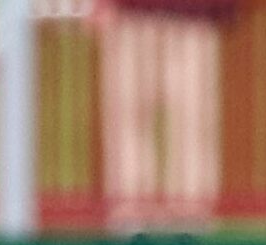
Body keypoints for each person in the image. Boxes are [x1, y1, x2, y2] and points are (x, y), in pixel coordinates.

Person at [97, 0, 238, 229]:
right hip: (134, 14)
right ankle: (132, 207)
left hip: (193, 14)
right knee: (129, 111)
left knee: (193, 116)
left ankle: (189, 210)